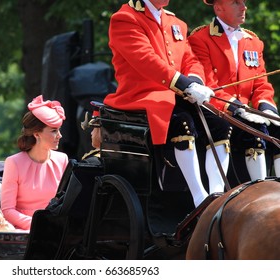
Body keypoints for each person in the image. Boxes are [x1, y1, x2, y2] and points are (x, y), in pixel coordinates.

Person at [104, 0, 232, 207]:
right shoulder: (125, 18)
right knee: (182, 122)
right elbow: (145, 59)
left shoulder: (175, 22)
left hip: (177, 93)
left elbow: (191, 59)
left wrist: (196, 81)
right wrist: (185, 85)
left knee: (220, 124)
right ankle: (199, 197)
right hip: (143, 95)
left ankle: (216, 195)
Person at [188, 0, 280, 180]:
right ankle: (258, 192)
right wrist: (236, 107)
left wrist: (268, 110)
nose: (244, 7)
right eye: (236, 3)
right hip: (220, 111)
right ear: (218, 8)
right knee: (255, 129)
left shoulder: (253, 42)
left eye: (244, 2)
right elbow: (208, 84)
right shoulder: (200, 39)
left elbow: (261, 84)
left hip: (247, 113)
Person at [0, 95, 68, 231]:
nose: (59, 135)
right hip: (24, 232)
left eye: (59, 130)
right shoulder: (14, 162)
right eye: (54, 130)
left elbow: (66, 203)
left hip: (55, 231)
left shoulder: (62, 160)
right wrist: (38, 225)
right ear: (37, 134)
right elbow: (7, 210)